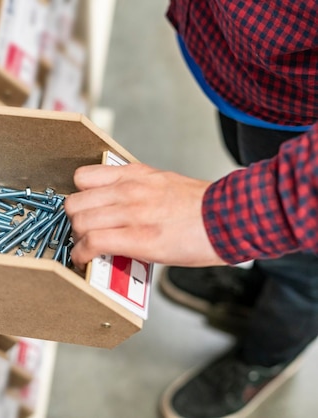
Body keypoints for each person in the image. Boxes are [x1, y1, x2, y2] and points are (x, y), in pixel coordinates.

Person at [63, 2, 318, 418]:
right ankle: (257, 290)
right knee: (251, 171)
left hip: (307, 118)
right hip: (245, 75)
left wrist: (232, 217)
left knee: (304, 268)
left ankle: (268, 356)